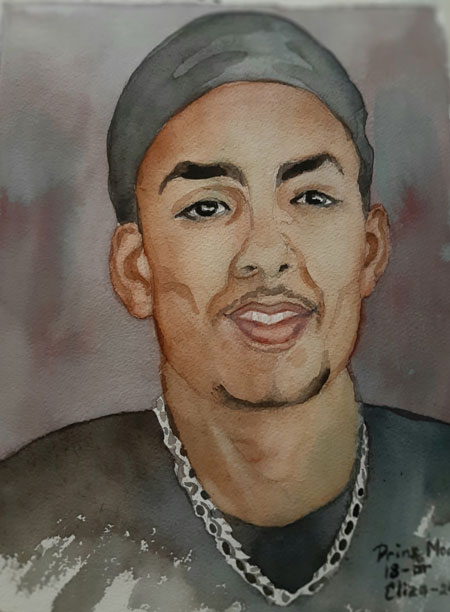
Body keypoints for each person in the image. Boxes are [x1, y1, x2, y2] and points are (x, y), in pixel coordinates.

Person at [1, 11, 449, 612]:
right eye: (207, 207)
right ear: (136, 269)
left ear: (369, 251)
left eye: (311, 197)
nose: (265, 254)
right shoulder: (26, 530)